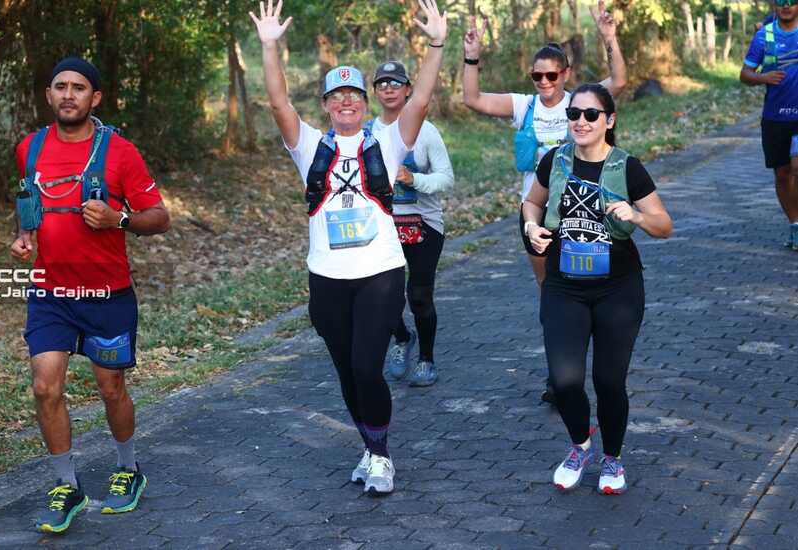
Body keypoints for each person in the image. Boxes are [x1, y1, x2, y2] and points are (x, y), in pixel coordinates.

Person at [250, 0, 447, 495]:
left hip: (380, 273)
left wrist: (437, 44)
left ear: (365, 102)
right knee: (345, 372)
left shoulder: (387, 142)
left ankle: (381, 457)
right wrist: (269, 47)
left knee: (366, 367)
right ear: (325, 105)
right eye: (336, 96)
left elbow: (421, 102)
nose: (345, 103)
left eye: (353, 95)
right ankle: (369, 446)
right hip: (327, 279)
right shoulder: (309, 146)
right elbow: (278, 104)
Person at [11, 57, 170, 533]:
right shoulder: (29, 148)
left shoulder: (120, 152)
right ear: (48, 94)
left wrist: (119, 219)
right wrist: (23, 236)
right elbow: (28, 204)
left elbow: (159, 217)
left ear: (94, 97)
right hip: (51, 292)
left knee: (110, 387)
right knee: (45, 387)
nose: (68, 94)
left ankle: (128, 468)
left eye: (78, 87)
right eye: (59, 86)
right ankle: (67, 485)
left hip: (107, 293)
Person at [463, 1, 626, 405]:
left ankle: (589, 362)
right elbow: (472, 99)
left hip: (582, 213)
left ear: (565, 74)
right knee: (550, 292)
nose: (544, 82)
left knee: (587, 288)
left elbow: (619, 82)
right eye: (537, 76)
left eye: (551, 75)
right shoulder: (523, 106)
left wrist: (609, 38)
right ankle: (560, 374)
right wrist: (472, 57)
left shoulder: (580, 104)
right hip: (536, 214)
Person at [522, 83, 672, 495]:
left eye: (591, 114)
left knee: (608, 382)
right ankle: (580, 446)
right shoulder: (555, 161)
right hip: (563, 286)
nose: (581, 122)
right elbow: (532, 202)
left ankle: (613, 458)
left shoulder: (628, 167)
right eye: (574, 114)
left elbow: (664, 226)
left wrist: (637, 216)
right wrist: (531, 226)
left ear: (610, 120)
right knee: (565, 381)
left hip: (617, 289)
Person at [371, 60, 455, 387]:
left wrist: (413, 179)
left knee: (419, 295)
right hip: (383, 227)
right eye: (382, 84)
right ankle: (403, 338)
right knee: (382, 296)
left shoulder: (426, 131)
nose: (389, 89)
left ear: (408, 90)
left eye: (396, 83)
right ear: (375, 92)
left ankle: (426, 360)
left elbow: (446, 178)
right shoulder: (368, 133)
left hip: (424, 224)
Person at [742, 0, 798, 250]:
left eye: (792, 1)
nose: (786, 5)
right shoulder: (764, 36)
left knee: (797, 168)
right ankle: (795, 224)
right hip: (776, 117)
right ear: (775, 5)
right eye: (781, 1)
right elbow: (745, 73)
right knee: (783, 174)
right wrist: (763, 77)